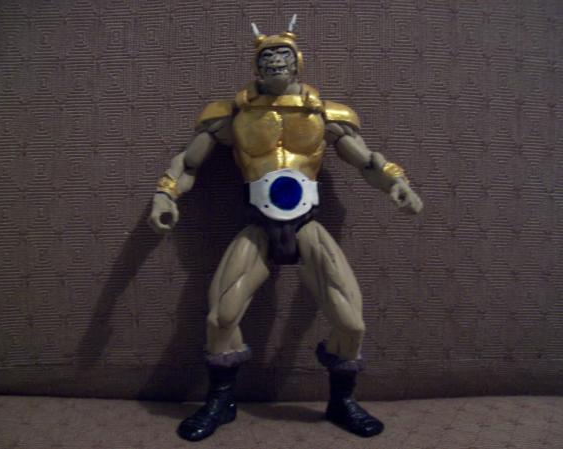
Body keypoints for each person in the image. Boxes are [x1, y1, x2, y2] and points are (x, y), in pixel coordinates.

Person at [149, 15, 423, 442]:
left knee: (351, 324)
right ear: (256, 65)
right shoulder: (232, 115)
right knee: (221, 317)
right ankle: (221, 401)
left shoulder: (324, 113)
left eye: (283, 54)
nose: (276, 60)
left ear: (298, 62)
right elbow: (187, 162)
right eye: (267, 55)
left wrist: (396, 183)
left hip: (307, 225)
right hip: (258, 226)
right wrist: (166, 194)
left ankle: (342, 401)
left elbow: (367, 160)